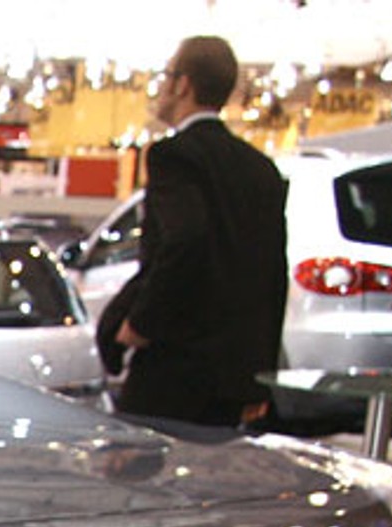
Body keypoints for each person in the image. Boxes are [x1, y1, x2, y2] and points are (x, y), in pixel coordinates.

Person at [105, 35, 288, 428]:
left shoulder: (174, 155)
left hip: (176, 366)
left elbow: (183, 241)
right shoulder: (261, 169)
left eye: (166, 75)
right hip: (235, 378)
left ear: (182, 83)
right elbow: (273, 274)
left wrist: (140, 324)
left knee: (134, 472)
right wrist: (261, 379)